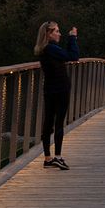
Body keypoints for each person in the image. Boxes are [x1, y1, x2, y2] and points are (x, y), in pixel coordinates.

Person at [34, 20, 80, 170]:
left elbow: (65, 56)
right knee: (58, 123)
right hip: (60, 90)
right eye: (57, 31)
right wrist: (73, 37)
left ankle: (48, 158)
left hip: (50, 89)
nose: (59, 34)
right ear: (48, 34)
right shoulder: (51, 49)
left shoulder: (45, 49)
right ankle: (58, 157)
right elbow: (73, 56)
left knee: (48, 123)